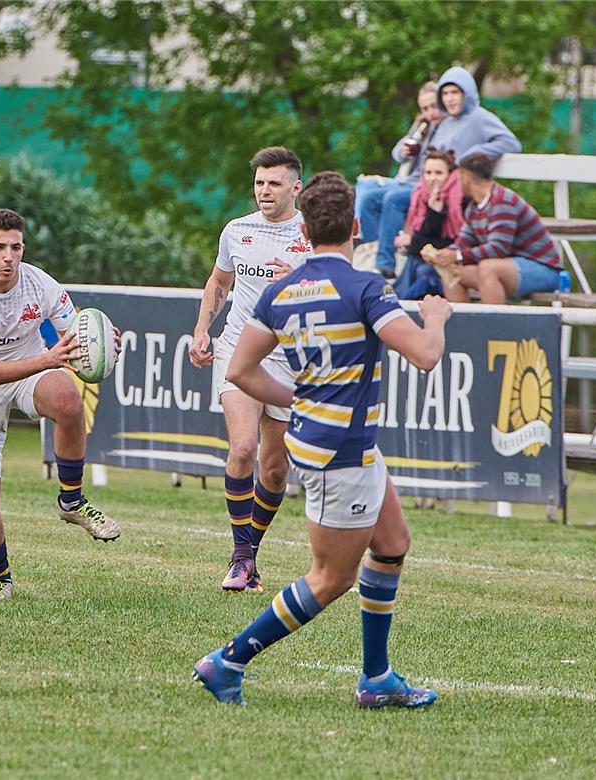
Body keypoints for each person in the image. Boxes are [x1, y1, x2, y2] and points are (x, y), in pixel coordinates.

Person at [194, 171, 453, 708]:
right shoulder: (364, 289)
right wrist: (435, 317)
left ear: (305, 229)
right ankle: (228, 660)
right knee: (331, 579)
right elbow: (426, 355)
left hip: (329, 442)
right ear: (357, 226)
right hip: (341, 453)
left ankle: (377, 679)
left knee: (392, 543)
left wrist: (298, 398)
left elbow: (240, 369)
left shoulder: (284, 289)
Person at [0, 208, 122, 605]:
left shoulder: (41, 285)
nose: (9, 256)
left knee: (68, 400)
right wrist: (49, 358)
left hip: (28, 372)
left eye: (16, 247)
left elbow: (75, 339)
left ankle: (71, 499)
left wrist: (103, 345)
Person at [189, 146, 306, 593]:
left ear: (295, 187)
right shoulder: (237, 230)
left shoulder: (310, 235)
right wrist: (203, 329)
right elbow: (220, 282)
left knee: (275, 469)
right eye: (259, 182)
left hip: (289, 355)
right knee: (242, 448)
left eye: (274, 183)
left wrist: (298, 278)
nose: (264, 190)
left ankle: (249, 554)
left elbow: (335, 287)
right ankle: (240, 559)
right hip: (239, 347)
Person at [422, 152, 562, 304]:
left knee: (488, 268)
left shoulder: (503, 201)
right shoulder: (474, 206)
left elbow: (498, 249)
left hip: (543, 270)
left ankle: (493, 326)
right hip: (509, 268)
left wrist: (457, 255)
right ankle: (463, 326)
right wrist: (442, 255)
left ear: (466, 179)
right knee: (449, 270)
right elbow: (463, 243)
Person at [355, 81, 444, 278]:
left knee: (392, 198)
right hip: (408, 181)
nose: (431, 112)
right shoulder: (423, 124)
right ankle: (371, 252)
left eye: (434, 106)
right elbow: (397, 154)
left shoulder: (449, 127)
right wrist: (405, 150)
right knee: (366, 191)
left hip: (427, 184)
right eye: (425, 108)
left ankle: (385, 264)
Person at [392, 148, 465, 299]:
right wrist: (433, 211)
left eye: (438, 173)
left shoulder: (460, 197)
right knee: (416, 263)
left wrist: (413, 241)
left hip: (454, 259)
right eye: (428, 173)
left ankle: (400, 304)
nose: (432, 178)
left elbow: (450, 242)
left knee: (422, 270)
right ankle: (400, 302)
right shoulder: (421, 194)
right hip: (427, 259)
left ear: (450, 175)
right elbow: (422, 245)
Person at [428, 66, 523, 168]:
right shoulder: (445, 123)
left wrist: (474, 154)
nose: (449, 99)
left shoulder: (479, 117)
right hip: (440, 182)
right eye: (445, 93)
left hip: (467, 181)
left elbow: (511, 144)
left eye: (454, 92)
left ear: (466, 93)